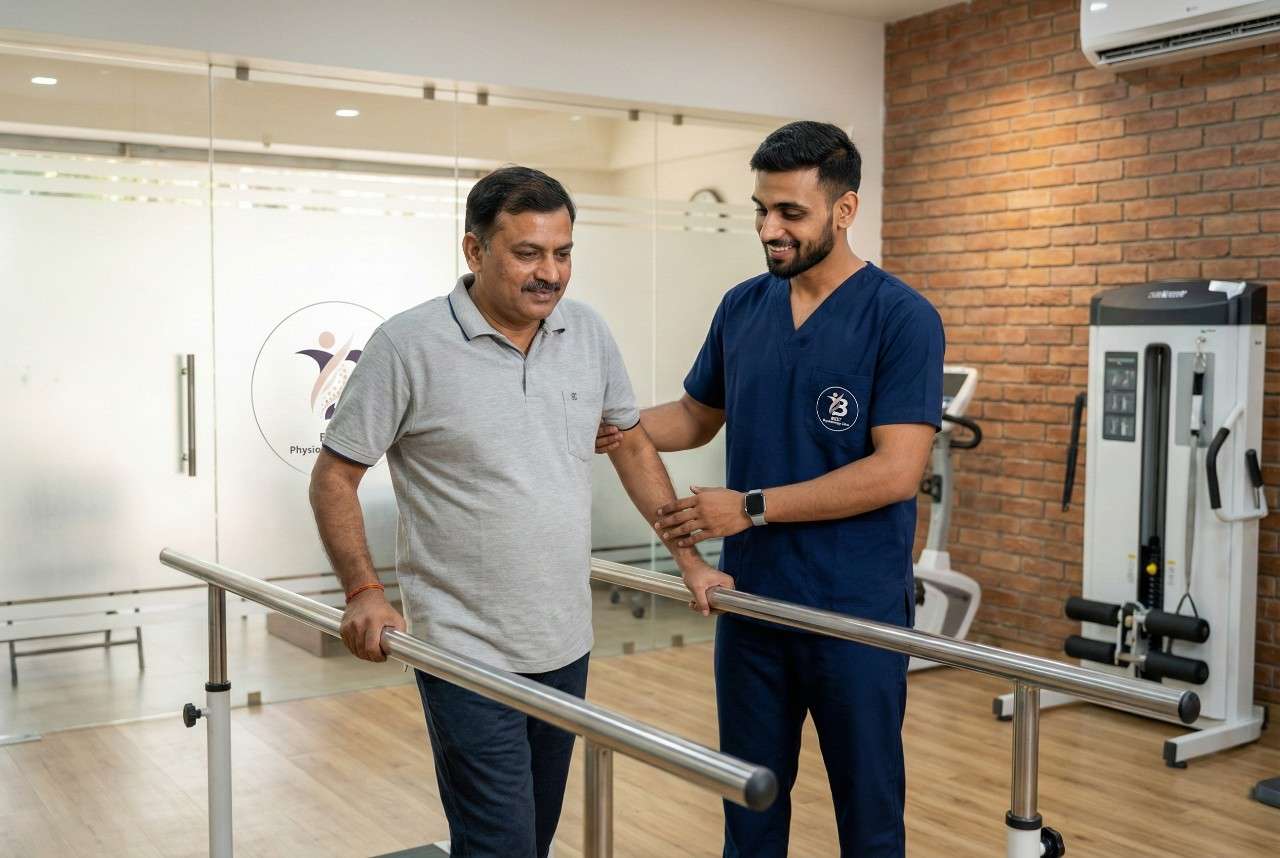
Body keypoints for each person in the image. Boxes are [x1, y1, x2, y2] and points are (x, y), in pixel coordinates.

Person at [309, 165, 730, 858]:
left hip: (564, 639)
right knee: (500, 844)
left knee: (533, 837)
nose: (551, 273)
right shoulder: (409, 345)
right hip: (465, 649)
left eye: (563, 253)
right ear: (474, 252)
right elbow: (334, 477)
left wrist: (691, 562)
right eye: (528, 253)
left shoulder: (586, 332)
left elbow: (628, 445)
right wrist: (364, 591)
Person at [597, 121, 944, 857]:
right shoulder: (743, 307)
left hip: (853, 614)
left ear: (844, 211)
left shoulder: (902, 318)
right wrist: (608, 420)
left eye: (790, 212)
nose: (769, 228)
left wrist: (751, 507)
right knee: (747, 809)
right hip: (752, 606)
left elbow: (896, 470)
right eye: (762, 209)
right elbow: (696, 416)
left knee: (869, 818)